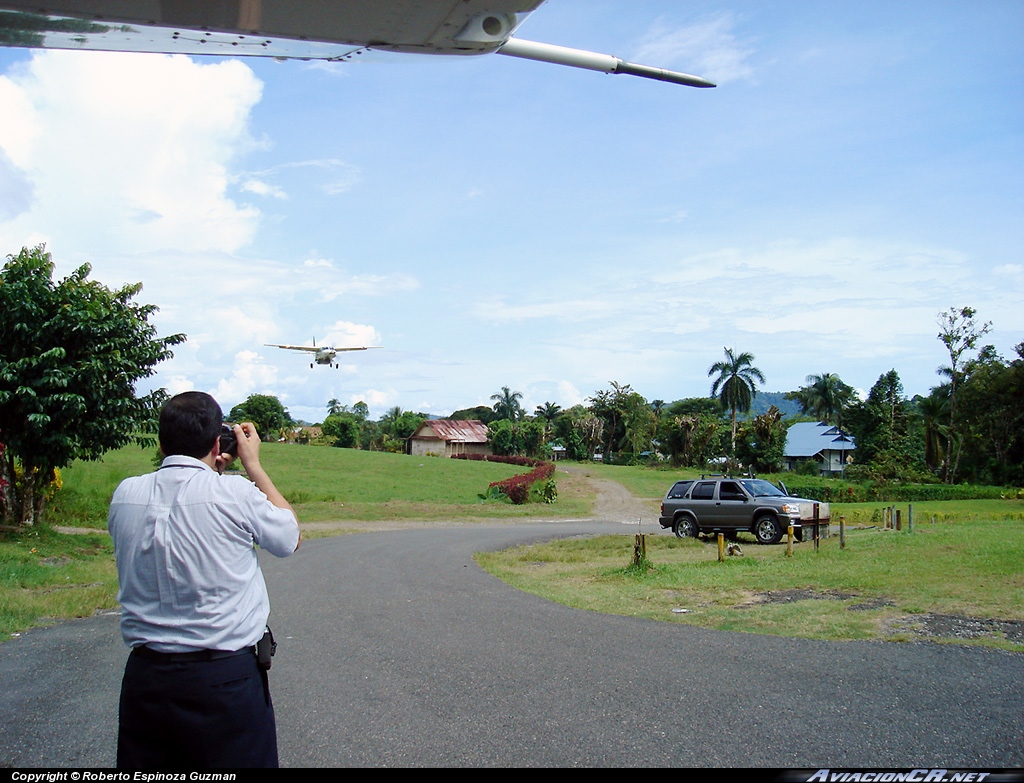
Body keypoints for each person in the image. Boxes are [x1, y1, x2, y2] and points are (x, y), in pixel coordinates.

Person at [107, 391, 301, 768]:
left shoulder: (125, 495)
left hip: (146, 682)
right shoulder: (234, 493)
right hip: (224, 681)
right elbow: (289, 538)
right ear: (217, 443)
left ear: (161, 442)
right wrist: (253, 466)